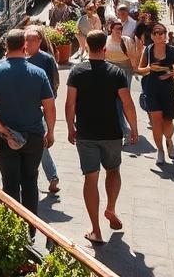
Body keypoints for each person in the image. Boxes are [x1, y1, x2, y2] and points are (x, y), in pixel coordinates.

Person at [66, 30, 138, 246]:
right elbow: (127, 103)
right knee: (113, 170)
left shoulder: (77, 72)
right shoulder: (116, 73)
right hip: (112, 132)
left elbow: (70, 103)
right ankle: (111, 207)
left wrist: (70, 127)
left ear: (87, 47)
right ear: (104, 49)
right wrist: (134, 127)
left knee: (91, 177)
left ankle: (96, 230)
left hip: (86, 133)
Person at [0, 30, 55, 232]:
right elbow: (49, 107)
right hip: (33, 137)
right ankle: (30, 229)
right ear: (24, 46)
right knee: (30, 181)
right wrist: (51, 132)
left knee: (10, 184)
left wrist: (2, 129)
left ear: (6, 47)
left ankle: (12, 230)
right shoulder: (38, 73)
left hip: (8, 138)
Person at [136, 22, 174, 165]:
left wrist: (169, 74)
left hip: (167, 89)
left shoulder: (172, 51)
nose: (158, 35)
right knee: (156, 122)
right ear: (152, 35)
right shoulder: (148, 50)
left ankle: (169, 140)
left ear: (165, 35)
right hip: (152, 88)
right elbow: (140, 69)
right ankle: (160, 150)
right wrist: (150, 68)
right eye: (155, 33)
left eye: (161, 33)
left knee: (168, 122)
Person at [24, 24, 60, 194]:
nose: (28, 43)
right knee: (39, 144)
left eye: (32, 39)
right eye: (26, 39)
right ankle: (52, 177)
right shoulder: (18, 58)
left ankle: (50, 176)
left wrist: (47, 103)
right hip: (23, 109)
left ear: (39, 41)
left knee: (41, 143)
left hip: (41, 109)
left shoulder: (46, 59)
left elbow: (54, 84)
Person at [105, 20, 138, 139]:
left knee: (122, 100)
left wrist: (135, 70)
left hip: (125, 72)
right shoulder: (106, 40)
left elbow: (133, 57)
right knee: (113, 99)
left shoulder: (127, 41)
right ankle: (119, 125)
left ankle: (123, 128)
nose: (119, 30)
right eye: (117, 28)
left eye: (121, 28)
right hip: (110, 71)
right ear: (111, 29)